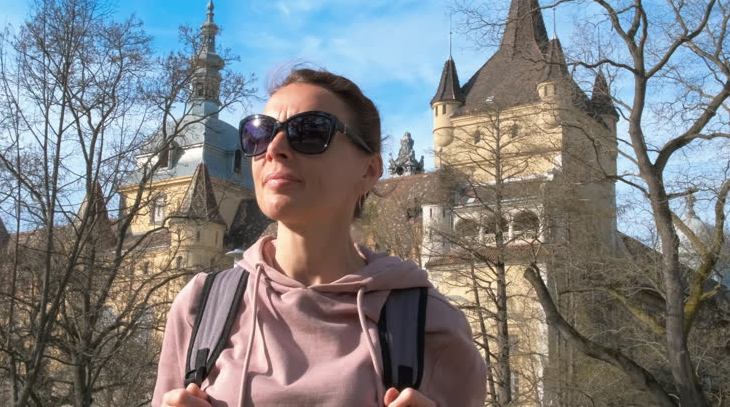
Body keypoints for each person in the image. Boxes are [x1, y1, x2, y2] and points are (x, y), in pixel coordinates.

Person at [152, 69, 487, 406]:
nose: (275, 148)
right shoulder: (202, 306)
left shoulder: (429, 324)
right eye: (259, 133)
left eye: (309, 132)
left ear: (368, 170)